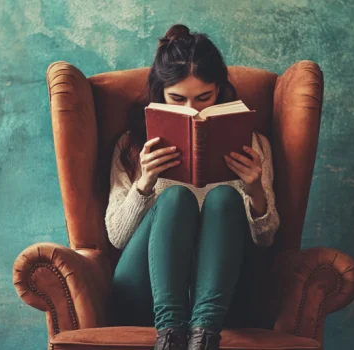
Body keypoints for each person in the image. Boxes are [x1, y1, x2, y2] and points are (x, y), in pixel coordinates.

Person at [105, 23, 280, 350]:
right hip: (148, 294)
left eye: (203, 98)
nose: (192, 110)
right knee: (175, 199)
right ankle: (170, 334)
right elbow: (116, 236)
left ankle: (203, 337)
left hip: (223, 297)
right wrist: (145, 183)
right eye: (177, 99)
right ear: (160, 92)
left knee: (225, 197)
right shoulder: (132, 146)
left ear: (219, 90)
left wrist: (255, 189)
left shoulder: (252, 143)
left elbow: (266, 239)